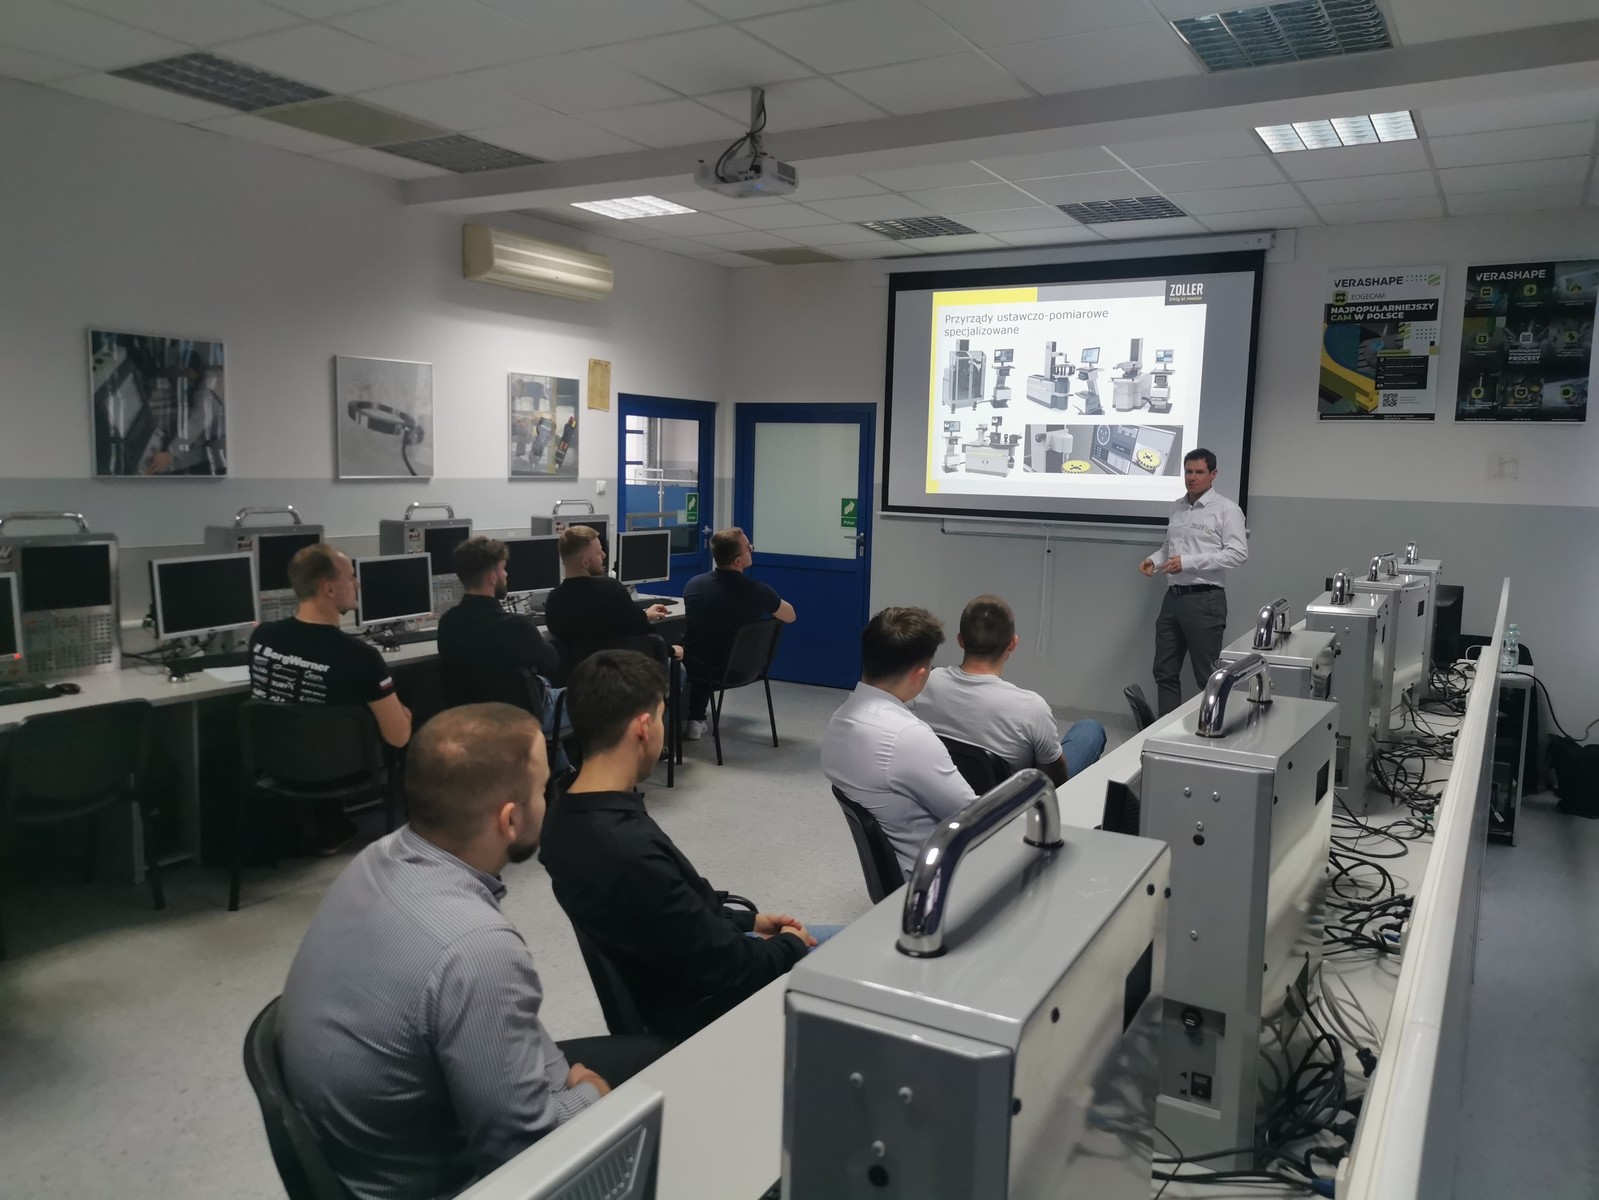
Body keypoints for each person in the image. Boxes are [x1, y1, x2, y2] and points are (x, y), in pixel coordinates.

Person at [278, 704, 668, 1200]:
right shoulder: (476, 949)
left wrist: (558, 1077)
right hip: (449, 1184)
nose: (550, 799)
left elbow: (506, 1028)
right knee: (660, 1089)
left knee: (653, 1056)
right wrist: (589, 1093)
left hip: (380, 1143)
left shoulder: (380, 856)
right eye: (542, 789)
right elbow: (523, 1151)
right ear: (510, 819)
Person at [540, 650, 837, 1042]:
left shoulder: (566, 814)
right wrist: (789, 946)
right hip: (706, 1002)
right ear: (643, 727)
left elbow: (673, 913)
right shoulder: (629, 849)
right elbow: (729, 967)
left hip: (681, 965)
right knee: (863, 947)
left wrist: (748, 922)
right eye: (662, 717)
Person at [249, 543, 412, 851]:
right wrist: (403, 711)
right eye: (351, 576)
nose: (357, 584)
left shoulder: (262, 637)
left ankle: (327, 827)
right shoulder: (360, 656)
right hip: (343, 773)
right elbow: (399, 736)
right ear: (329, 588)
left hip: (277, 767)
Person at [820, 607, 976, 875]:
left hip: (900, 868)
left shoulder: (838, 721)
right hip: (939, 875)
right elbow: (972, 818)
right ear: (918, 675)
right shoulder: (907, 737)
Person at [911, 595, 1107, 785]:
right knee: (1090, 729)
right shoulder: (1031, 708)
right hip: (1009, 802)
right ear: (1013, 643)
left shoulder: (927, 682)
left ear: (960, 640)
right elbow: (1055, 779)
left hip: (945, 788)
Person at [1139, 448, 1249, 716]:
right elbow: (1169, 548)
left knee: (1207, 675)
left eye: (1199, 472)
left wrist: (1188, 562)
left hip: (1205, 599)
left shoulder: (1226, 509)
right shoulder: (1177, 507)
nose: (1192, 478)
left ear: (1213, 474)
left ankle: (1211, 730)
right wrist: (1154, 560)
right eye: (1188, 471)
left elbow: (1238, 553)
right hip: (1173, 599)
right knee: (1164, 671)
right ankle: (1166, 729)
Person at [680, 527, 796, 740]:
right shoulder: (758, 591)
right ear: (738, 561)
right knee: (712, 648)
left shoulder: (694, 585)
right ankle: (696, 719)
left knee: (693, 647)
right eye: (749, 548)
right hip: (745, 669)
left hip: (701, 668)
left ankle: (694, 720)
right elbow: (790, 616)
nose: (751, 550)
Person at [437, 536, 562, 733]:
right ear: (492, 577)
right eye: (503, 568)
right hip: (521, 721)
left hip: (471, 723)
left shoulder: (447, 624)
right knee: (596, 698)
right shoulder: (517, 626)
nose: (506, 574)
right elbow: (552, 662)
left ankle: (556, 757)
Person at [543, 525, 680, 666]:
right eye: (599, 552)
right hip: (617, 672)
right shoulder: (610, 590)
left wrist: (645, 615)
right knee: (679, 667)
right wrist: (672, 650)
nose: (604, 555)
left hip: (579, 676)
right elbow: (644, 632)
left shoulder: (554, 601)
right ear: (585, 562)